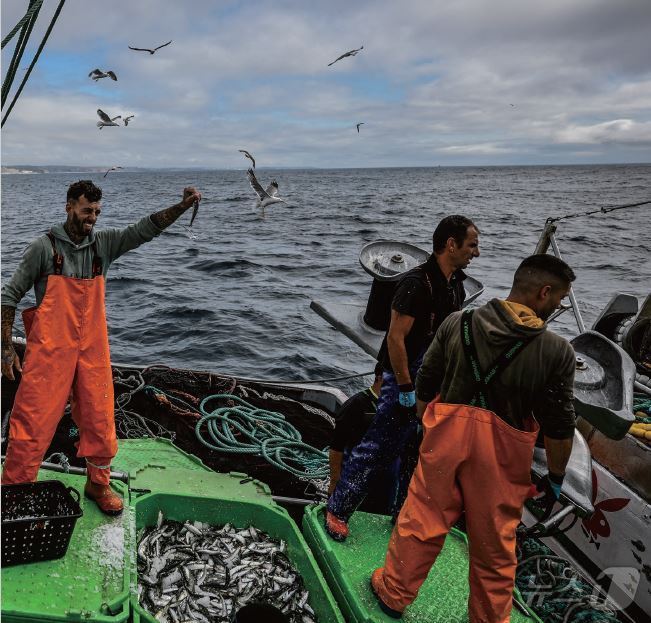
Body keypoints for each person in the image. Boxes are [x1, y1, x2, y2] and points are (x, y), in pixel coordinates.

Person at [370, 254, 577, 622]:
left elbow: (426, 382)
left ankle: (393, 593)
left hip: (446, 440)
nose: (558, 306)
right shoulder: (557, 351)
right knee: (495, 547)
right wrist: (557, 477)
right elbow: (560, 426)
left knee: (420, 521)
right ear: (544, 292)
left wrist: (428, 427)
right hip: (502, 457)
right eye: (559, 299)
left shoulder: (457, 322)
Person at [1, 180, 202, 515]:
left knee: (100, 420)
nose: (91, 217)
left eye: (96, 211)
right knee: (32, 424)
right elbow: (8, 296)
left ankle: (98, 483)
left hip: (92, 350)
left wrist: (181, 207)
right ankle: (15, 494)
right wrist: (6, 348)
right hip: (50, 353)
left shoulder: (104, 245)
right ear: (68, 207)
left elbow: (144, 229)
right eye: (85, 211)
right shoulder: (44, 248)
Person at [326, 215, 480, 540]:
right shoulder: (415, 283)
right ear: (450, 244)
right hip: (403, 378)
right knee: (379, 446)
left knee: (417, 452)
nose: (476, 252)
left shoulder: (456, 286)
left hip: (431, 380)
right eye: (471, 245)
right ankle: (337, 510)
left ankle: (402, 517)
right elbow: (395, 339)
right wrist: (406, 387)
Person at [328, 363, 398, 514]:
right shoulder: (356, 404)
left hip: (387, 478)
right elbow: (336, 446)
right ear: (379, 377)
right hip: (356, 472)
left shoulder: (399, 407)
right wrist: (334, 480)